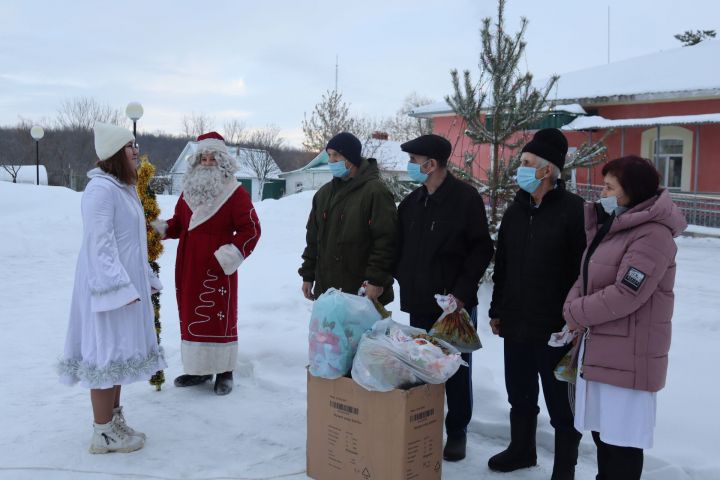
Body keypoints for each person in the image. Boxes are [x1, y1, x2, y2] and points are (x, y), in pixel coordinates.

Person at [563, 156, 687, 480]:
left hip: (629, 358)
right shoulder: (615, 227)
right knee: (604, 439)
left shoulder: (652, 236)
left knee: (622, 447)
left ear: (632, 191)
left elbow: (627, 293)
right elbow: (587, 275)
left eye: (609, 186)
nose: (601, 192)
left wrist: (577, 312)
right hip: (603, 352)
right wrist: (572, 304)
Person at [58, 122, 167, 454]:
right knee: (106, 355)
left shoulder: (123, 187)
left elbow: (131, 243)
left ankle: (113, 420)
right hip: (107, 289)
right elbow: (100, 246)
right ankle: (102, 432)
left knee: (119, 356)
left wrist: (143, 279)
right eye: (130, 146)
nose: (136, 151)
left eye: (135, 144)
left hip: (127, 286)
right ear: (114, 153)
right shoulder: (100, 191)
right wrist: (117, 288)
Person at [488, 128, 586, 479]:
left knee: (562, 404)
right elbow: (503, 265)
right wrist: (497, 309)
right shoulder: (516, 211)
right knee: (520, 392)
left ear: (548, 170)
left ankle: (564, 468)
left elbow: (584, 274)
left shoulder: (576, 213)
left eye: (528, 163)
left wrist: (575, 320)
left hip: (555, 327)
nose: (521, 168)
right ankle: (522, 450)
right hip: (515, 320)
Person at [395, 134, 494, 461]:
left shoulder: (465, 199)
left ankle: (457, 431)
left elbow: (482, 249)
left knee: (455, 370)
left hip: (453, 308)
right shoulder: (412, 203)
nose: (410, 167)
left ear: (431, 164)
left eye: (413, 160)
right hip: (420, 303)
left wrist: (462, 294)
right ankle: (425, 424)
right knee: (423, 367)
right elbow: (399, 250)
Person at [153, 132, 261, 395]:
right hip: (189, 264)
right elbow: (179, 224)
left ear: (223, 160)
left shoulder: (234, 192)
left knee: (218, 316)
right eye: (204, 155)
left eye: (214, 156)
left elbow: (251, 228)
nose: (208, 160)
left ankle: (224, 371)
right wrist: (157, 229)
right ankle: (197, 369)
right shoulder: (188, 190)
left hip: (217, 265)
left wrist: (229, 255)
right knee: (191, 314)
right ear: (197, 159)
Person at [299, 132, 397, 306]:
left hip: (362, 292)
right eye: (329, 155)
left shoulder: (375, 192)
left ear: (351, 158)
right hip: (328, 290)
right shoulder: (323, 194)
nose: (331, 160)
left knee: (363, 334)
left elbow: (386, 241)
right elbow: (313, 239)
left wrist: (376, 280)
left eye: (336, 155)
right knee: (327, 334)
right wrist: (308, 275)